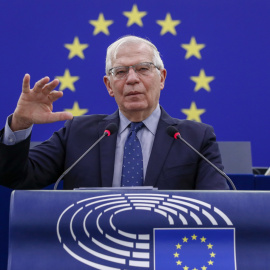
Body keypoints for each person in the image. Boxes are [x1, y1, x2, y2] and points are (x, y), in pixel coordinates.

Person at [0, 35, 229, 190]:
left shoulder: (196, 139)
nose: (131, 79)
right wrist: (19, 124)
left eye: (143, 69)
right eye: (120, 72)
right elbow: (16, 177)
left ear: (162, 78)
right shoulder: (77, 133)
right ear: (109, 85)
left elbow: (218, 206)